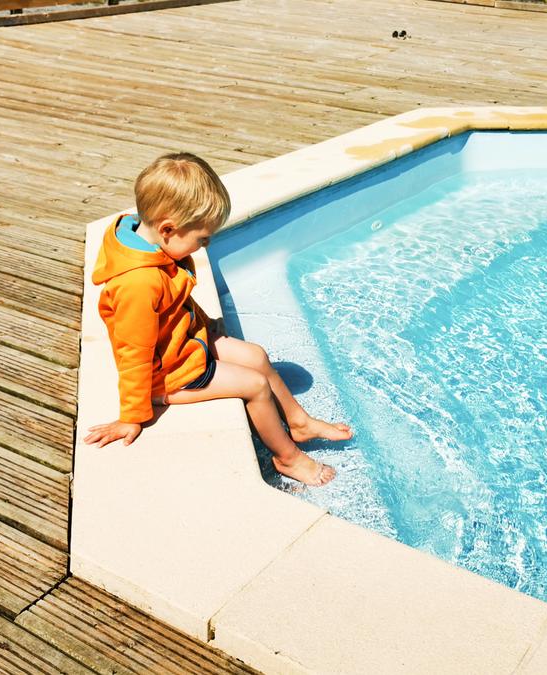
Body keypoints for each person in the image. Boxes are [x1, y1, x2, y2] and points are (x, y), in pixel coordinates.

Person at [83, 152, 352, 486]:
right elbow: (134, 354)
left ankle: (299, 423)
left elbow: (173, 302)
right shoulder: (137, 283)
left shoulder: (151, 245)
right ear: (168, 229)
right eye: (202, 238)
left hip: (183, 343)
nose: (204, 245)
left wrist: (206, 324)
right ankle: (288, 458)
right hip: (169, 375)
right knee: (255, 386)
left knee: (256, 356)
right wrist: (132, 416)